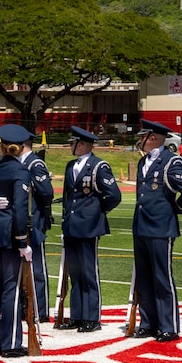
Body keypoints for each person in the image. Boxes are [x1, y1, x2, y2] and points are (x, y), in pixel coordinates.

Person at [131, 120, 182, 341]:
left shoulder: (171, 161)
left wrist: (177, 208)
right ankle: (148, 322)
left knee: (162, 278)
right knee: (144, 278)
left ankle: (168, 326)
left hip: (160, 227)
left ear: (152, 138)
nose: (139, 140)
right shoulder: (143, 162)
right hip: (141, 226)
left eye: (143, 136)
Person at [59, 126, 123, 331]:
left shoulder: (98, 166)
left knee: (89, 273)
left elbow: (114, 195)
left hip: (88, 227)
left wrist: (96, 211)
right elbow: (68, 196)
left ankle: (92, 317)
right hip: (71, 225)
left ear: (83, 144)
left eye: (73, 143)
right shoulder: (71, 166)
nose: (71, 146)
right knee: (75, 274)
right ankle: (77, 316)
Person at [0, 123, 35, 356]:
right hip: (10, 232)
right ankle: (11, 343)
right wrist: (22, 241)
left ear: (1, 147)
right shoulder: (21, 171)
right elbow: (21, 208)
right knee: (11, 288)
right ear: (21, 147)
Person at [21, 133, 56, 322]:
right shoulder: (21, 163)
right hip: (20, 222)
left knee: (37, 269)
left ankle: (40, 310)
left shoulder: (35, 164)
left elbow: (46, 193)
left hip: (33, 222)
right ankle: (24, 307)